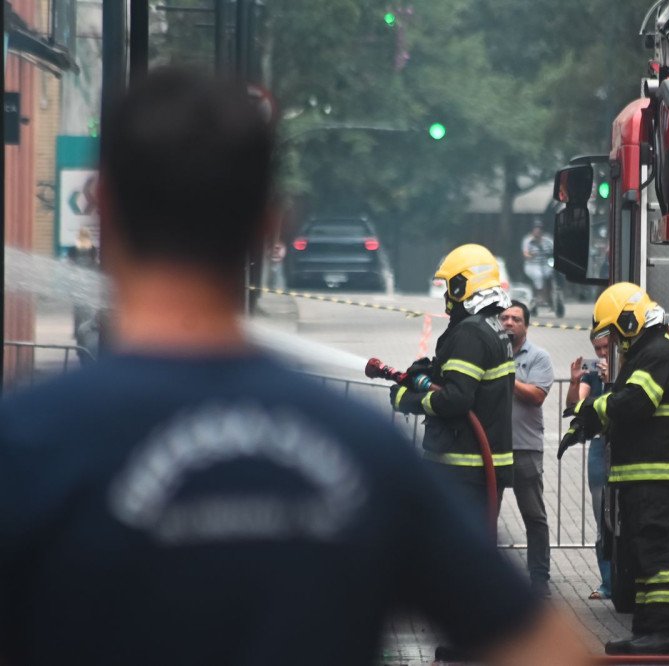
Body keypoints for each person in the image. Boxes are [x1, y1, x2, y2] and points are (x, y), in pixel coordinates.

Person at [0, 67, 590, 666]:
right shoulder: (360, 453)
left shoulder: (24, 442)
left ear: (101, 206)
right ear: (270, 224)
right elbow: (547, 647)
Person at [559, 281, 669, 656]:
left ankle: (665, 632)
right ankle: (646, 630)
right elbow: (619, 405)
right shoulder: (645, 354)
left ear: (630, 322)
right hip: (640, 474)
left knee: (654, 554)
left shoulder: (660, 353)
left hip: (656, 472)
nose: (615, 340)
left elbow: (634, 402)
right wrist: (583, 425)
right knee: (642, 556)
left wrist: (591, 411)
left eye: (616, 331)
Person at [389, 243, 515, 531]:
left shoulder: (470, 332)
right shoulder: (492, 327)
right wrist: (431, 371)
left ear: (464, 286)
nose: (446, 295)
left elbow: (457, 398)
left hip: (463, 466)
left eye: (450, 286)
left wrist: (410, 400)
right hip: (481, 465)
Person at [500, 300, 555, 598]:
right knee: (486, 516)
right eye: (504, 318)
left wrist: (507, 373)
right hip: (494, 448)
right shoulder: (488, 355)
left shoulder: (538, 357)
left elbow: (535, 396)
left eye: (516, 319)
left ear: (526, 325)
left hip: (526, 449)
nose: (509, 323)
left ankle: (539, 579)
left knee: (534, 517)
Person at [566, 329, 613, 600]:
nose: (603, 354)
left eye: (607, 347)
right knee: (601, 517)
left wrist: (613, 381)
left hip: (625, 447)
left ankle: (627, 580)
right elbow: (574, 406)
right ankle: (607, 582)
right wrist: (574, 383)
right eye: (598, 349)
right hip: (599, 447)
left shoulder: (631, 368)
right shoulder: (594, 373)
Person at [66, 226, 101, 363]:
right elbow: (96, 265)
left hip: (78, 289)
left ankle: (80, 345)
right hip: (89, 289)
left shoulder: (73, 249)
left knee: (79, 317)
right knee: (88, 317)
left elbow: (70, 266)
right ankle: (85, 345)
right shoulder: (92, 249)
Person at [521, 219, 555, 309]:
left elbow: (555, 250)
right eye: (535, 228)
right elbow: (525, 253)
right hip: (532, 265)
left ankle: (552, 296)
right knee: (538, 275)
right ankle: (539, 296)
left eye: (539, 228)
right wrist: (530, 255)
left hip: (545, 264)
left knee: (552, 273)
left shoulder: (548, 240)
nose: (537, 230)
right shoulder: (528, 240)